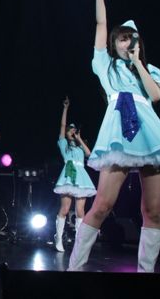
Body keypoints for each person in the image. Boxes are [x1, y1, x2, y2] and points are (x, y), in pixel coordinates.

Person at [68, 0, 160, 272]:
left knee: (153, 211)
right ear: (114, 42)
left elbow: (155, 96)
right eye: (122, 38)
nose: (127, 43)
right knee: (103, 204)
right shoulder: (105, 65)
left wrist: (139, 63)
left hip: (151, 134)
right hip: (118, 132)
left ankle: (145, 273)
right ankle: (74, 269)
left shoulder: (149, 70)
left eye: (132, 39)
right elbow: (100, 23)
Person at [52, 97, 96, 252]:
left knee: (80, 211)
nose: (72, 130)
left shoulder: (79, 146)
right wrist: (65, 108)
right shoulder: (64, 144)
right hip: (68, 175)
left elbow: (89, 154)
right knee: (65, 209)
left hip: (81, 177)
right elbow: (62, 126)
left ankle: (79, 241)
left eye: (74, 129)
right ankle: (58, 238)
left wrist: (79, 139)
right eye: (70, 129)